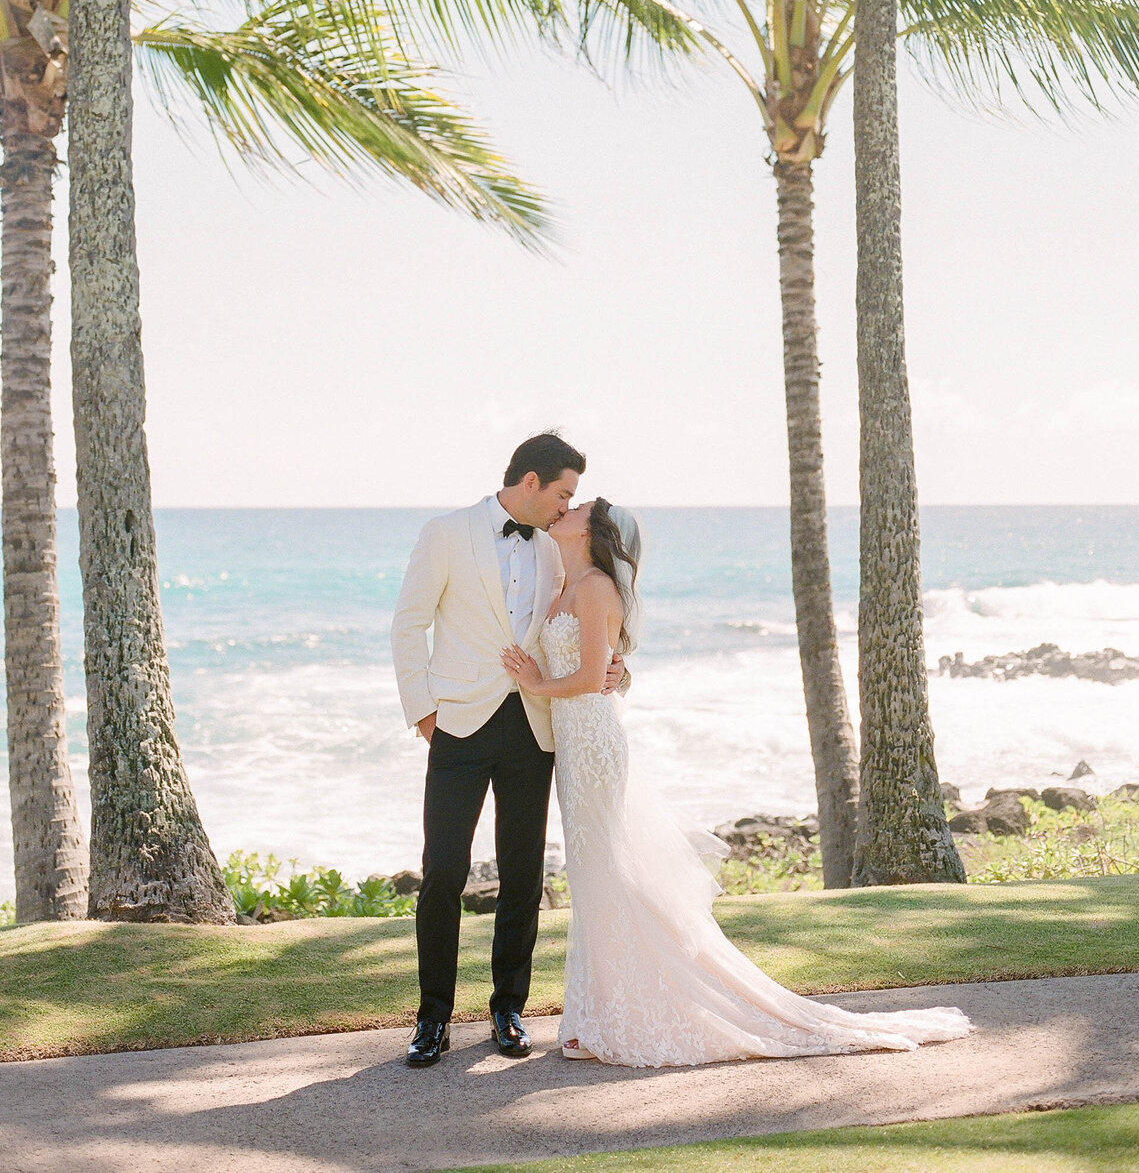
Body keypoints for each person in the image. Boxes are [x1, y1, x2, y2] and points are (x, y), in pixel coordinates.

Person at [501, 499, 972, 1068]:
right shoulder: (560, 585)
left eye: (577, 506)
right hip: (573, 751)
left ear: (593, 531)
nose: (565, 508)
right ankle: (596, 1012)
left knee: (608, 873)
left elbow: (587, 679)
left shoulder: (596, 587)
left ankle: (625, 1014)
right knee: (594, 875)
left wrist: (534, 681)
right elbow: (604, 666)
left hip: (595, 743)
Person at [390, 433, 626, 1068]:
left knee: (523, 874)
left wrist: (614, 671)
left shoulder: (560, 551)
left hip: (534, 726)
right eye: (563, 493)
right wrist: (424, 713)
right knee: (443, 871)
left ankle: (508, 1009)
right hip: (458, 727)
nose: (565, 506)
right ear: (531, 483)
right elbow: (408, 623)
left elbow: (591, 632)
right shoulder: (446, 533)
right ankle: (433, 1017)